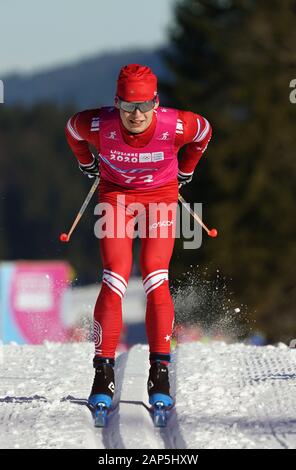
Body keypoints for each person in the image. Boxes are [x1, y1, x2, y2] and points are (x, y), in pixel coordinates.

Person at [65, 64, 212, 410]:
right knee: (114, 275)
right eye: (129, 106)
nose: (136, 115)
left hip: (160, 198)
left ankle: (159, 372)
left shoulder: (175, 124)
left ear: (156, 102)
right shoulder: (100, 124)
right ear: (116, 103)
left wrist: (186, 169)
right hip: (116, 198)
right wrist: (86, 161)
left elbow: (204, 131)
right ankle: (103, 372)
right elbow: (72, 129)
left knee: (155, 276)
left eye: (144, 106)